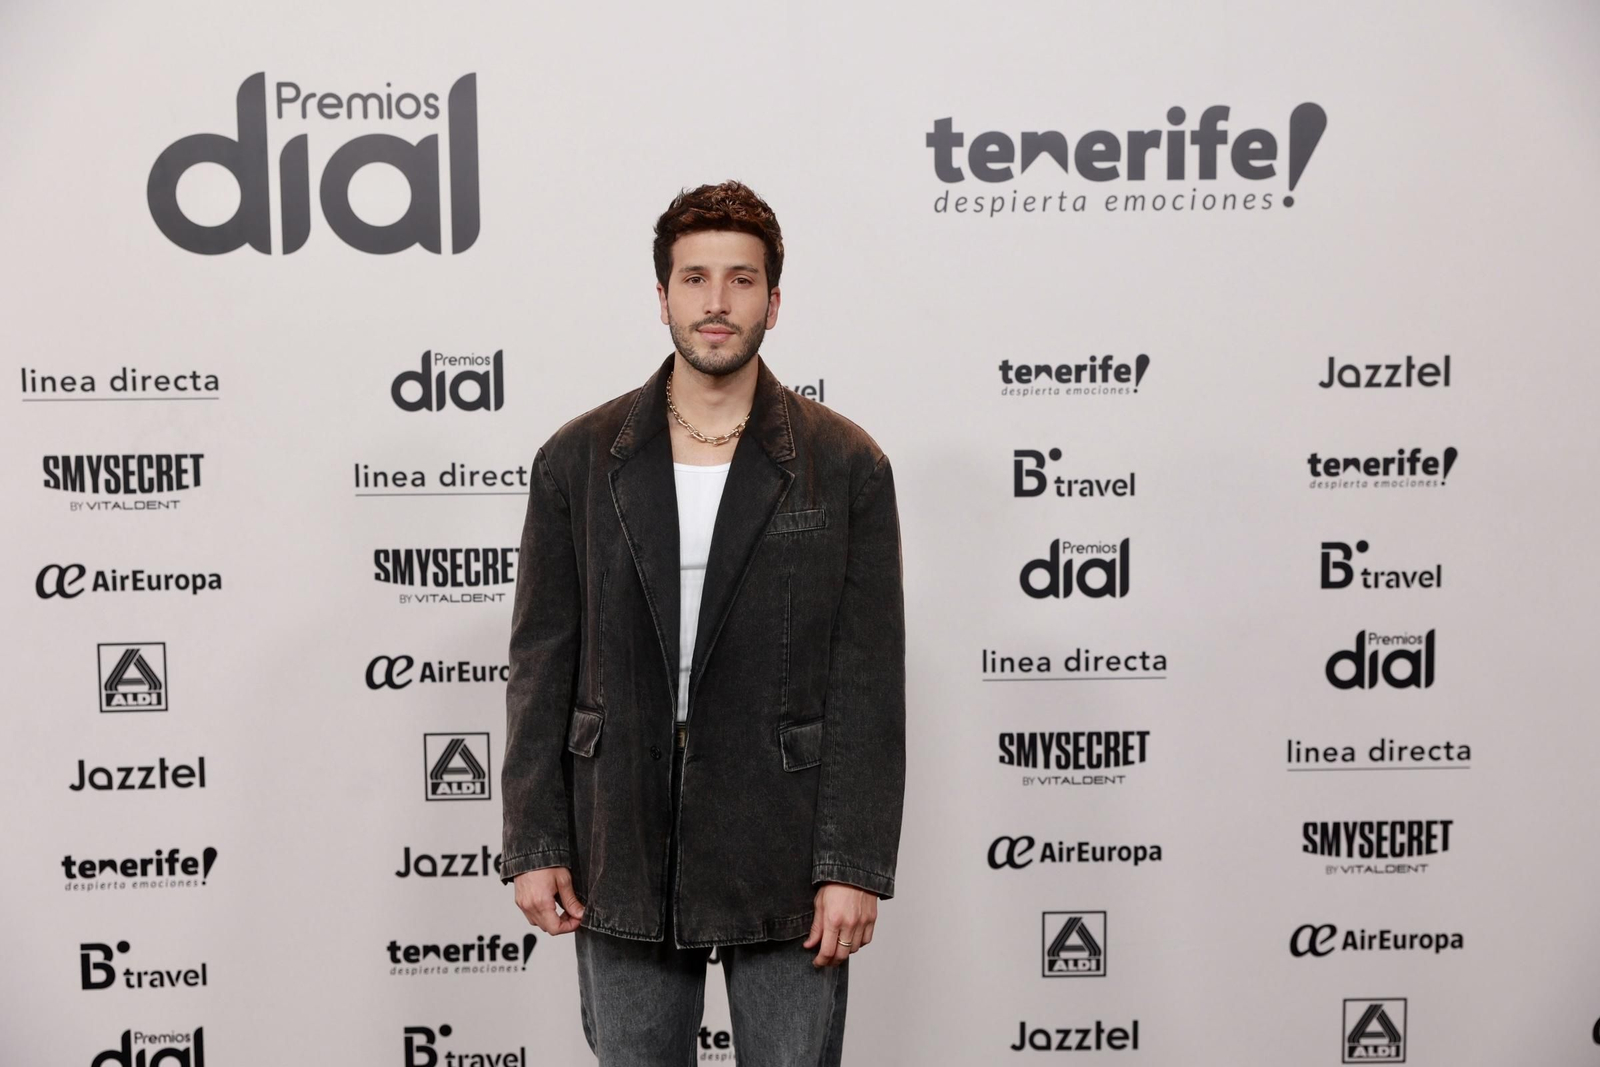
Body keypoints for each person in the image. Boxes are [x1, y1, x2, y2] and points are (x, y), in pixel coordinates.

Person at [500, 179, 907, 1066]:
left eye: (741, 279)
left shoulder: (846, 464)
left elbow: (868, 681)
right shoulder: (577, 459)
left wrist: (852, 864)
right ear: (663, 297)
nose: (717, 302)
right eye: (694, 279)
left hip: (785, 837)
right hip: (621, 832)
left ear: (773, 302)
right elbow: (540, 662)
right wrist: (535, 842)